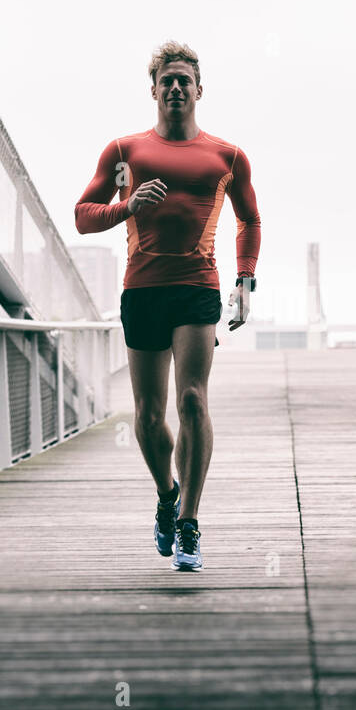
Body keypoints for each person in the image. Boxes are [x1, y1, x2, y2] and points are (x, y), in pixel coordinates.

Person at [74, 41, 261, 571]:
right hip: (142, 289)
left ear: (199, 90)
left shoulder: (227, 156)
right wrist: (126, 205)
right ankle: (165, 495)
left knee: (193, 403)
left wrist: (245, 279)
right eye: (167, 80)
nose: (176, 87)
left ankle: (190, 523)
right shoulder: (124, 152)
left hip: (196, 287)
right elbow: (83, 215)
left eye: (185, 80)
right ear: (154, 90)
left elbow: (250, 219)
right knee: (150, 416)